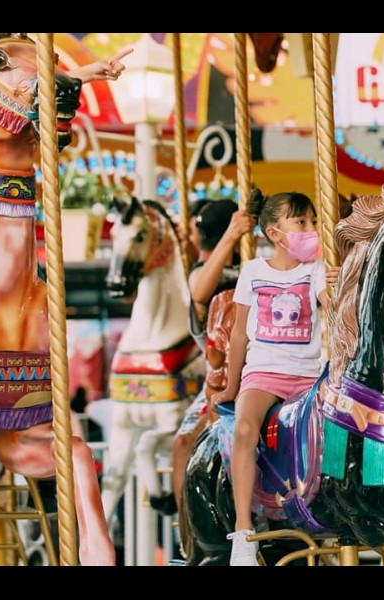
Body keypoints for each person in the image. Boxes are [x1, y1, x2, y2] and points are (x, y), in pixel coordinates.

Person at [211, 189, 328, 566]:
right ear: (275, 233)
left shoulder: (316, 270)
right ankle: (244, 531)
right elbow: (239, 334)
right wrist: (231, 386)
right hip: (263, 373)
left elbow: (333, 307)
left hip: (308, 377)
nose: (310, 229)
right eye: (301, 222)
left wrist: (337, 279)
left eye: (313, 221)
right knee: (245, 430)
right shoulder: (253, 271)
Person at [150, 199, 253, 520]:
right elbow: (198, 292)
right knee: (184, 442)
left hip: (259, 370)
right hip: (219, 378)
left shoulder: (252, 269)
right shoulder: (201, 274)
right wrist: (233, 235)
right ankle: (189, 528)